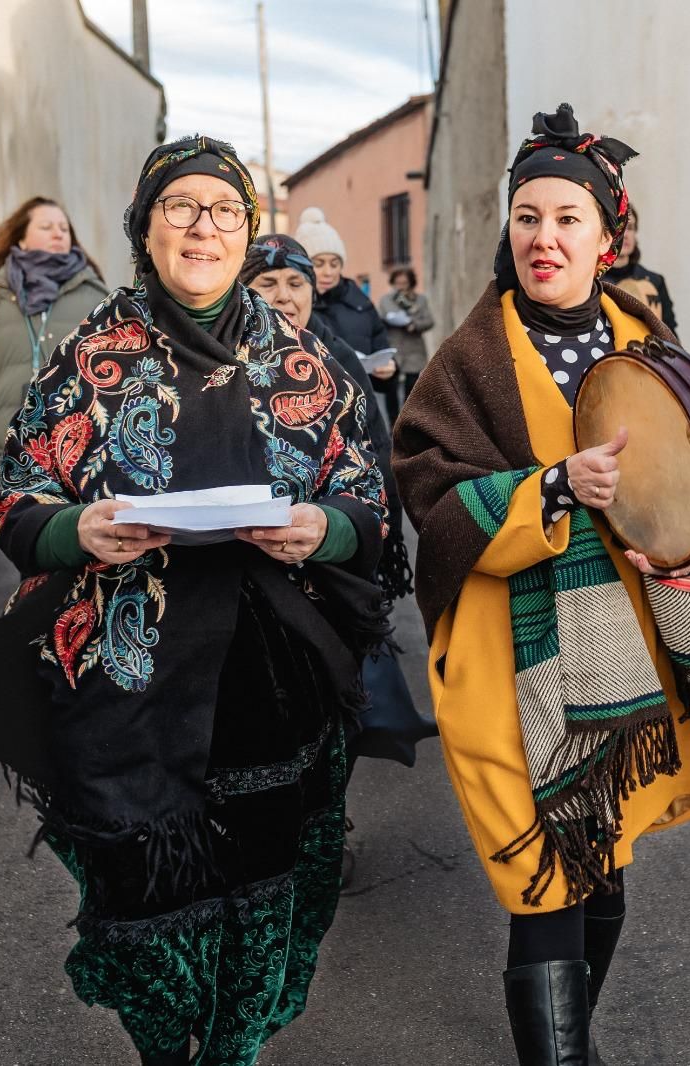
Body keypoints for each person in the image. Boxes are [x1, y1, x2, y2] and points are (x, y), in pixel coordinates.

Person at [0, 136, 388, 1066]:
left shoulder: (307, 361)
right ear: (145, 229)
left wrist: (321, 528)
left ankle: (233, 1051)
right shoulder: (90, 356)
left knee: (264, 887)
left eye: (223, 210)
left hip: (271, 680)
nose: (202, 228)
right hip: (123, 685)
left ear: (249, 231)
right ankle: (166, 1051)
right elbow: (15, 499)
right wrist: (75, 532)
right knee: (141, 902)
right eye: (180, 209)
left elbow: (367, 499)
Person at [393, 103, 690, 1065]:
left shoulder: (646, 339)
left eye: (566, 219)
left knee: (605, 858)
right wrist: (549, 486)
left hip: (628, 648)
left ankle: (575, 1044)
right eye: (527, 219)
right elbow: (428, 497)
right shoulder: (468, 360)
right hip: (511, 647)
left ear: (608, 235)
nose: (543, 239)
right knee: (543, 869)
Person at [240, 233, 435, 883]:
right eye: (266, 284)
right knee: (269, 717)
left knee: (341, 712)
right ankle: (277, 831)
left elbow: (377, 456)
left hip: (336, 566)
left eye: (294, 283)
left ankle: (323, 826)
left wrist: (365, 538)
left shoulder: (336, 357)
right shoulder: (221, 366)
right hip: (251, 575)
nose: (284, 296)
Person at [0, 196, 108, 487]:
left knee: (76, 530)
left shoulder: (94, 294)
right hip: (10, 444)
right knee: (12, 530)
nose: (58, 233)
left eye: (63, 228)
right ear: (21, 239)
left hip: (80, 447)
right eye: (46, 227)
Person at [294, 207, 399, 421]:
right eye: (319, 263)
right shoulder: (292, 304)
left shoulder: (360, 301)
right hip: (312, 416)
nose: (328, 272)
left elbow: (381, 347)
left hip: (362, 412)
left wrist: (390, 371)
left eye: (335, 264)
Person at [604, 204, 677, 333]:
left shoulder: (655, 281)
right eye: (620, 227)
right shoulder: (593, 281)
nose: (625, 235)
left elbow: (669, 334)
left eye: (630, 228)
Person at [376, 266, 435, 414]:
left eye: (404, 283)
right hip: (393, 347)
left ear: (411, 282)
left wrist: (414, 325)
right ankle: (393, 423)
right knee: (391, 388)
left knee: (411, 387)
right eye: (398, 283)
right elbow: (377, 321)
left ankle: (407, 420)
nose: (401, 286)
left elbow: (429, 321)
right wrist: (387, 321)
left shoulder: (420, 300)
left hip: (414, 349)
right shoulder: (386, 300)